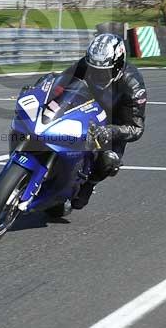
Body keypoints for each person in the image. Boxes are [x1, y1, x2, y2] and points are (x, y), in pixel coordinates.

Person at [59, 32, 148, 209]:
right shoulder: (85, 64)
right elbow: (61, 84)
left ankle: (89, 184)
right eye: (94, 70)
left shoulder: (133, 85)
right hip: (81, 109)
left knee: (109, 160)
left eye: (104, 71)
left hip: (112, 123)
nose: (97, 75)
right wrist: (41, 90)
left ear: (118, 65)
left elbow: (136, 128)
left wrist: (110, 131)